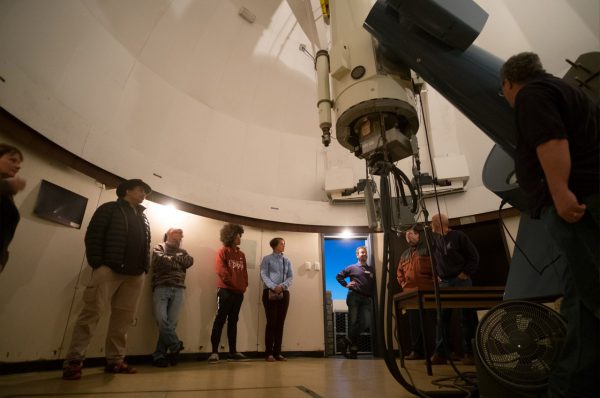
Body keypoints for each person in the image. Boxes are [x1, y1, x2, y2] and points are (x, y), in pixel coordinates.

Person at [500, 52, 599, 398]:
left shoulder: (531, 95)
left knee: (591, 297)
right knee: (580, 300)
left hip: (576, 205)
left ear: (509, 83)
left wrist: (559, 191)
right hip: (585, 199)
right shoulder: (566, 90)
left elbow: (550, 140)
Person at [62, 179, 152, 380]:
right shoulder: (109, 209)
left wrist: (144, 268)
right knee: (91, 314)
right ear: (127, 190)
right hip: (108, 270)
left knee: (123, 320)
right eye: (140, 190)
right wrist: (98, 263)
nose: (144, 194)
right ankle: (74, 361)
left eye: (145, 191)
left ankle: (115, 361)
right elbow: (93, 235)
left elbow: (145, 245)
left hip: (135, 275)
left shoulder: (143, 217)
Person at [429, 213, 479, 366]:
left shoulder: (458, 236)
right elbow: (436, 261)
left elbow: (474, 256)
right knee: (442, 318)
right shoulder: (436, 241)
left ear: (437, 223)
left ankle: (471, 353)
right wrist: (437, 275)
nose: (430, 225)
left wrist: (465, 273)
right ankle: (441, 353)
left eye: (432, 222)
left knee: (467, 316)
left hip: (461, 281)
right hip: (444, 283)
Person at [150, 228, 194, 367]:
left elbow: (189, 261)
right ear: (169, 234)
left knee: (172, 323)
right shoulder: (159, 247)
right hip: (161, 287)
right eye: (177, 234)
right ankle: (175, 345)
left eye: (181, 235)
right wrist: (178, 261)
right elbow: (160, 260)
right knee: (161, 320)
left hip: (179, 289)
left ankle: (159, 355)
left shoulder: (184, 251)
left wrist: (172, 259)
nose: (180, 237)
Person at [208, 223, 249, 363]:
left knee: (233, 321)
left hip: (238, 293)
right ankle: (214, 352)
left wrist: (243, 286)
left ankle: (233, 351)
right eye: (238, 236)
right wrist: (235, 285)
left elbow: (244, 273)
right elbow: (221, 271)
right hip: (225, 291)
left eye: (240, 236)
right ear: (231, 236)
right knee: (220, 319)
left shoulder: (241, 254)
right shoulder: (222, 251)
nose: (240, 238)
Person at [397, 227, 434, 360]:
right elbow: (399, 273)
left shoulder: (429, 249)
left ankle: (437, 352)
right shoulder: (404, 254)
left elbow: (437, 266)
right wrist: (403, 284)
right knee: (414, 324)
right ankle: (416, 352)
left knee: (433, 322)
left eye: (411, 234)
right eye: (406, 235)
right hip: (411, 294)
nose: (408, 237)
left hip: (428, 292)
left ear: (418, 235)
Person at [336, 246, 374, 359]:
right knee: (353, 323)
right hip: (354, 297)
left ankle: (346, 340)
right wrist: (346, 284)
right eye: (361, 253)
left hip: (366, 299)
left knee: (366, 323)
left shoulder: (371, 269)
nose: (363, 254)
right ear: (357, 255)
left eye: (365, 252)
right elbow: (339, 276)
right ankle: (353, 351)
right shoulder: (352, 267)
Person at [260, 237, 293, 362]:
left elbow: (290, 277)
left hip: (284, 294)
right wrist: (274, 287)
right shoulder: (267, 259)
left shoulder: (287, 260)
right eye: (282, 244)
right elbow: (263, 274)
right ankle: (268, 353)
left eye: (284, 244)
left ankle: (277, 352)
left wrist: (282, 286)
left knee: (280, 323)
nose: (284, 245)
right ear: (275, 245)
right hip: (269, 293)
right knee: (271, 323)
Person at [0, 144, 26, 274]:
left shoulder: (7, 193)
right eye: (12, 160)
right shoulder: (5, 187)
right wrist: (6, 185)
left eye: (19, 162)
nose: (18, 166)